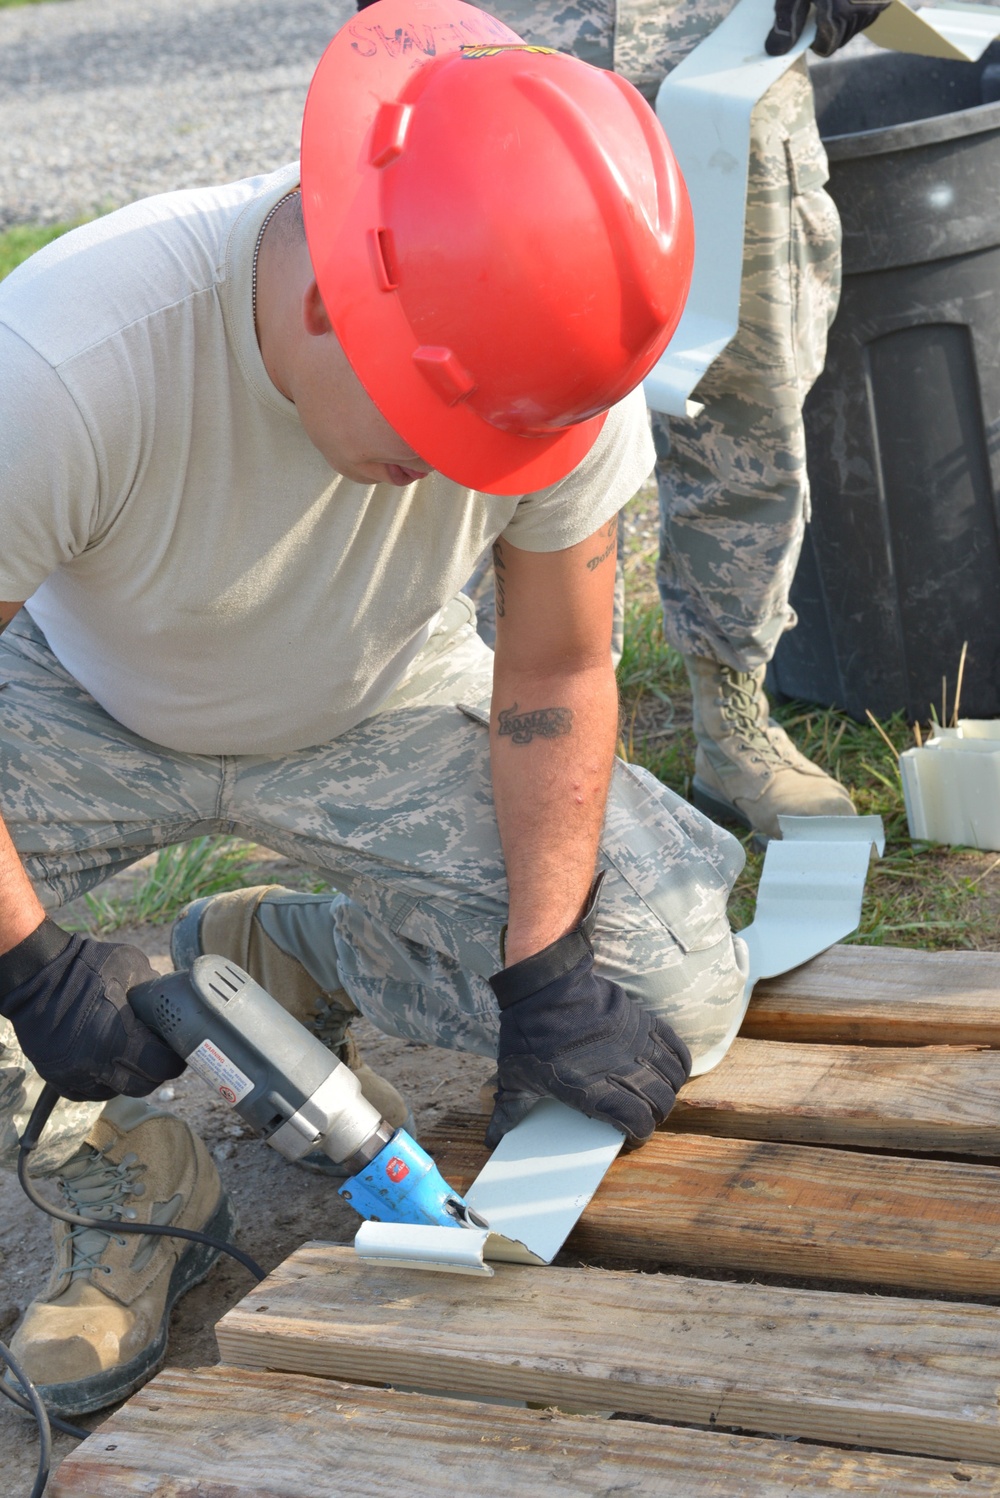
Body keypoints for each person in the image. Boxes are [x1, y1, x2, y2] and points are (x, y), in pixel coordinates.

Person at [0, 0, 749, 1419]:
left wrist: (542, 980)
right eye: (447, 433)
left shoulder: (550, 368)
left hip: (378, 699)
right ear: (341, 292)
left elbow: (556, 671)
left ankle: (281, 955)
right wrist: (31, 958)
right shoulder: (62, 359)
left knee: (666, 987)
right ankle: (126, 1174)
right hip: (85, 705)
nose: (480, 469)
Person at [482, 0, 887, 840]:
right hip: (517, 62)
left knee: (747, 404)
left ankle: (732, 723)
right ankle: (524, 733)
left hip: (729, 56)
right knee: (514, 410)